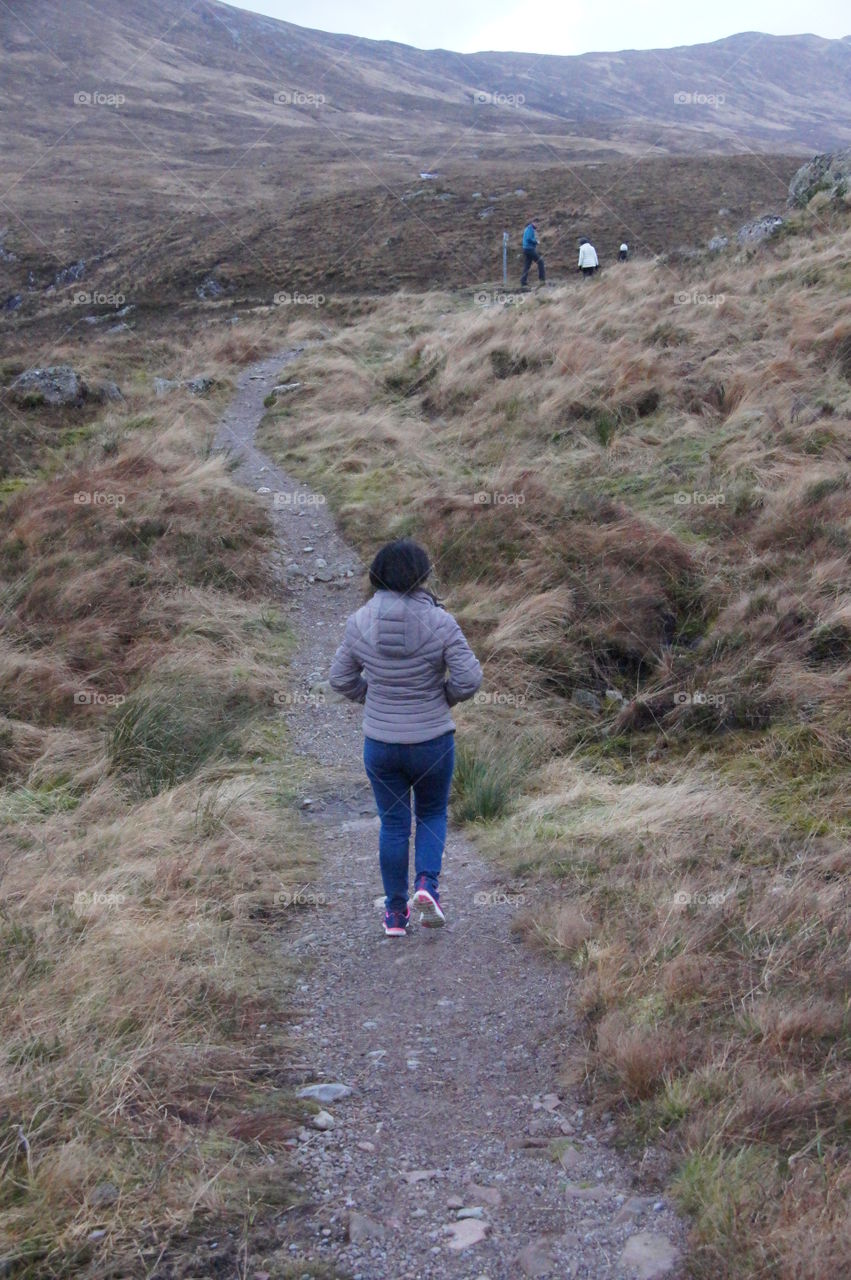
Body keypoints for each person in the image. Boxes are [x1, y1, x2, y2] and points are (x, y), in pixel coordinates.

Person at [329, 540, 482, 937]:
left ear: (377, 573)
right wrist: (441, 699)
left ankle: (396, 915)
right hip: (432, 740)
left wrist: (373, 698)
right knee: (431, 814)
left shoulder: (359, 621)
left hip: (381, 744)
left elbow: (340, 679)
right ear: (422, 576)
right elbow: (469, 679)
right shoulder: (441, 622)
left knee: (393, 825)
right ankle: (426, 888)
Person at [520, 220, 545, 286]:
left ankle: (523, 281)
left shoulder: (530, 229)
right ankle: (542, 280)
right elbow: (529, 239)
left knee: (527, 265)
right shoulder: (529, 229)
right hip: (529, 249)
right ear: (533, 223)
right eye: (537, 223)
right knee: (540, 261)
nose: (537, 225)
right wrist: (536, 242)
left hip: (527, 249)